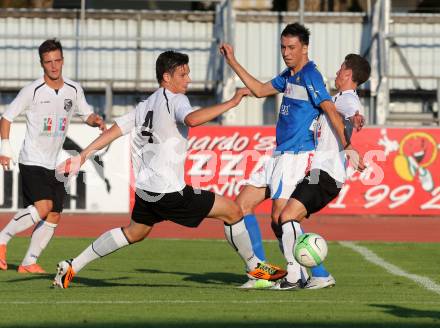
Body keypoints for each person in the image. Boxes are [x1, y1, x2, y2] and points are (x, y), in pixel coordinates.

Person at [53, 50, 287, 289]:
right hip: (169, 192)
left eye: (188, 73)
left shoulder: (144, 105)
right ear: (166, 77)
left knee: (134, 233)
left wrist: (82, 156)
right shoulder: (175, 99)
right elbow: (192, 120)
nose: (188, 79)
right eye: (182, 74)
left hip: (146, 191)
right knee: (234, 212)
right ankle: (255, 269)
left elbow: (113, 131)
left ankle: (73, 265)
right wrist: (232, 102)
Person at [220, 23, 364, 289]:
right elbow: (261, 90)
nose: (286, 52)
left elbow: (332, 110)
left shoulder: (311, 75)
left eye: (291, 48)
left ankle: (300, 274)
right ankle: (265, 274)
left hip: (296, 156)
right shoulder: (289, 75)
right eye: (283, 47)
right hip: (277, 154)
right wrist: (233, 62)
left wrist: (348, 144)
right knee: (239, 208)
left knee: (281, 218)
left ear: (304, 48)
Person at [0, 39, 106, 273]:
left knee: (55, 213)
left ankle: (28, 262)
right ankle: (2, 239)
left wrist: (95, 120)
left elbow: (86, 113)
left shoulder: (74, 88)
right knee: (44, 206)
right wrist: (5, 148)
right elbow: (6, 118)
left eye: (57, 60)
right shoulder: (32, 90)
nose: (54, 66)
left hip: (53, 162)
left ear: (62, 60)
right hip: (31, 159)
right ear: (42, 64)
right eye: (48, 62)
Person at [273, 54, 370, 289]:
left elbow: (351, 111)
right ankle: (315, 273)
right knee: (282, 220)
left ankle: (300, 276)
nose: (336, 73)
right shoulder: (336, 98)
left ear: (348, 74)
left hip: (326, 175)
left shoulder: (348, 99)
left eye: (340, 68)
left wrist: (355, 118)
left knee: (286, 217)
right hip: (318, 173)